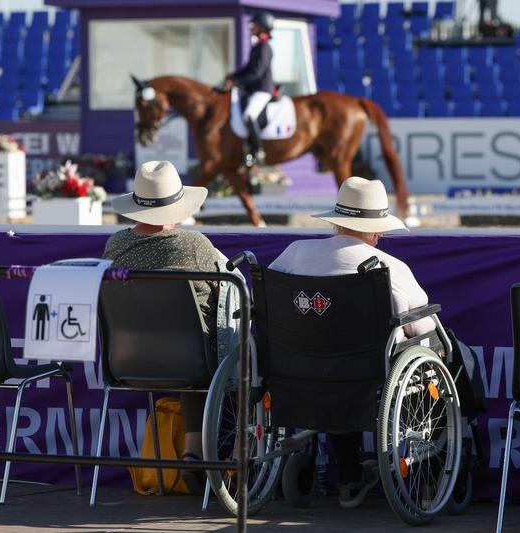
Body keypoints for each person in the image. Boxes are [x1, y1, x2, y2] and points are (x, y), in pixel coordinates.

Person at [269, 176, 436, 508]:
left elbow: (265, 306)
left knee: (334, 366)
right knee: (440, 353)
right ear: (376, 229)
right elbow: (425, 328)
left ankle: (349, 476)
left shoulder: (294, 254)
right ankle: (438, 465)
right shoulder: (388, 267)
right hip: (363, 372)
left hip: (297, 367)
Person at [103, 160, 241, 494]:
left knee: (187, 344)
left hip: (127, 362)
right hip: (191, 361)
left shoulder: (114, 247)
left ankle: (193, 453)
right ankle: (237, 460)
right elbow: (234, 284)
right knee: (229, 347)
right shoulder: (193, 245)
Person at [223, 11, 275, 168]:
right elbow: (247, 68)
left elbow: (257, 73)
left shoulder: (264, 48)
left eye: (255, 25)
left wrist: (237, 82)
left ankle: (257, 150)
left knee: (249, 115)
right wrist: (233, 76)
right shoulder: (257, 46)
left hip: (262, 89)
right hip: (252, 89)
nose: (252, 28)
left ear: (263, 28)